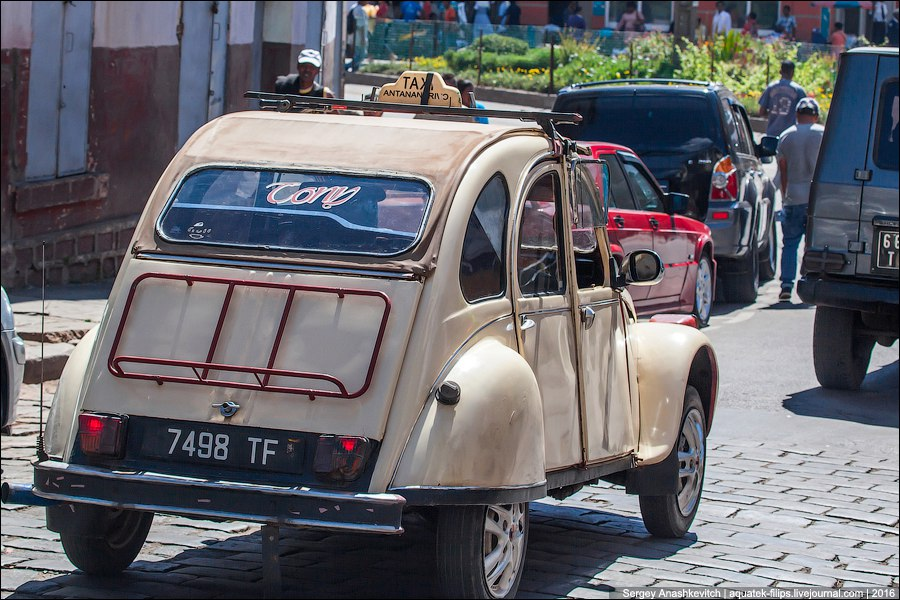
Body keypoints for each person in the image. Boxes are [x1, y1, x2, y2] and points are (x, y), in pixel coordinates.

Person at [776, 98, 824, 301]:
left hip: (793, 196)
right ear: (816, 116)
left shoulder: (786, 136)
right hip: (817, 198)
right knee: (815, 244)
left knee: (790, 244)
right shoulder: (822, 133)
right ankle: (811, 281)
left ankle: (786, 285)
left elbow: (783, 171)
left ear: (797, 114)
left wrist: (784, 197)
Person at [758, 60, 807, 137]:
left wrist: (773, 115)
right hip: (790, 135)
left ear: (780, 71)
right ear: (792, 72)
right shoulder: (798, 90)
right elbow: (805, 115)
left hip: (772, 133)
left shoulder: (771, 87)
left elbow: (761, 112)